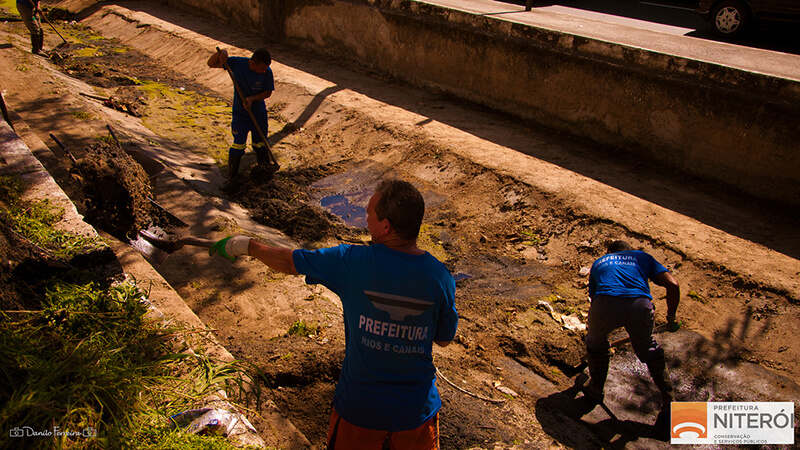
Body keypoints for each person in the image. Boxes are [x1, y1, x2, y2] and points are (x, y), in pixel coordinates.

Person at [209, 179, 458, 449]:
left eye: (369, 215)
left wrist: (246, 246)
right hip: (416, 416)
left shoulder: (350, 262)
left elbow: (289, 260)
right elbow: (444, 339)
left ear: (385, 226)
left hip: (359, 413)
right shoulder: (440, 277)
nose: (365, 220)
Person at [581, 240, 680, 414]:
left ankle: (595, 391)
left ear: (609, 252)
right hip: (640, 305)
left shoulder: (599, 262)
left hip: (605, 303)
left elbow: (594, 298)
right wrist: (671, 317)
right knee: (648, 347)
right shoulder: (643, 257)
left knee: (596, 343)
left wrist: (598, 329)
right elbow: (673, 284)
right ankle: (670, 402)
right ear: (630, 251)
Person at [207, 47, 275, 178]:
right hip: (240, 113)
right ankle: (232, 177)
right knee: (238, 144)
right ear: (253, 63)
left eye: (265, 69)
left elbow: (268, 92)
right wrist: (222, 54)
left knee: (261, 143)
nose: (263, 72)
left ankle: (264, 174)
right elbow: (211, 63)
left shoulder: (267, 72)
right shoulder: (238, 64)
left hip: (258, 113)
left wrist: (252, 98)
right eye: (261, 69)